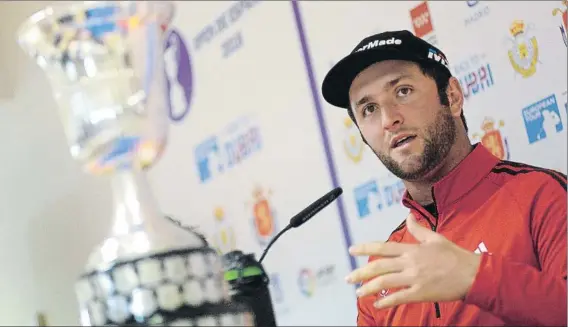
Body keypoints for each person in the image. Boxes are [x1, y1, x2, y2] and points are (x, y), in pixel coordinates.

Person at [321, 30, 567, 326]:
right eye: (369, 109)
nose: (388, 120)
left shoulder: (542, 196)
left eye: (403, 91)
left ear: (452, 97)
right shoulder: (381, 271)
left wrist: (477, 277)